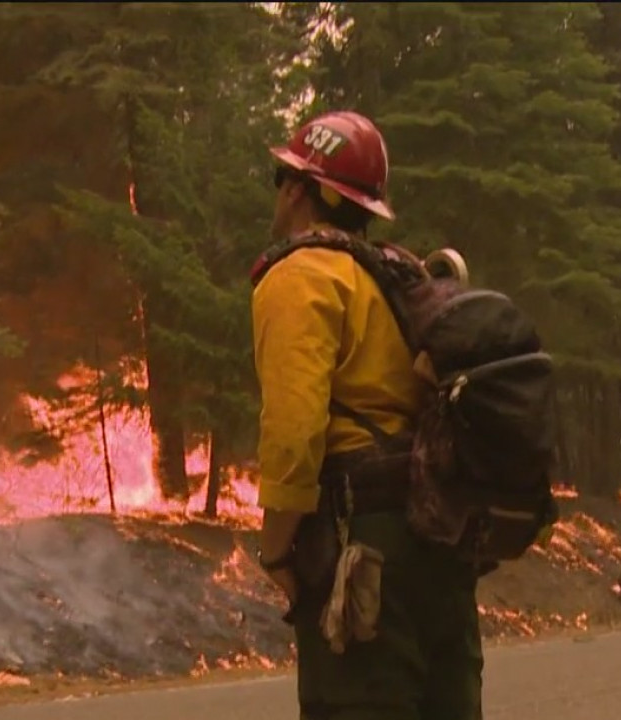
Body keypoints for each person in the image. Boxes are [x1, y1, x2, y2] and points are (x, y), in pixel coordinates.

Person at [250, 110, 484, 719]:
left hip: (363, 553)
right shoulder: (398, 278)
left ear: (300, 189)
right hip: (439, 544)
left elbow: (295, 434)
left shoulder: (300, 277)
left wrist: (276, 552)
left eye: (281, 175)